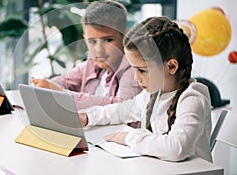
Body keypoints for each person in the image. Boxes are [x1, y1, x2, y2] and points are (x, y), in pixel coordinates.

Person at [79, 16, 212, 162]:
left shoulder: (192, 98)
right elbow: (122, 111)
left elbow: (176, 149)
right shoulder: (153, 93)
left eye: (141, 70)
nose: (136, 78)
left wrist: (130, 137)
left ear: (171, 66)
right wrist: (89, 117)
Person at [31, 0, 142, 109]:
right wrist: (47, 86)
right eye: (92, 41)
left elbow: (121, 107)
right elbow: (64, 81)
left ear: (124, 37)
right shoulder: (93, 63)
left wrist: (62, 94)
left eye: (108, 40)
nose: (99, 50)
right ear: (85, 39)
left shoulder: (133, 68)